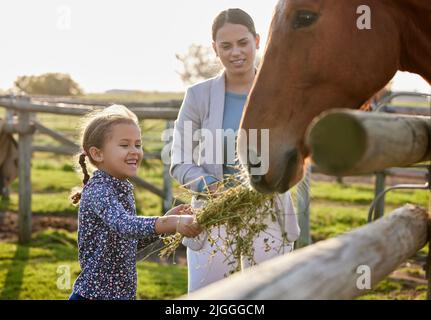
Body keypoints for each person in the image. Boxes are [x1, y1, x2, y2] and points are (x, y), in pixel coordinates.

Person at [170, 8, 300, 292]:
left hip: (269, 213)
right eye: (226, 46)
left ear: (257, 40)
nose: (236, 52)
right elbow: (179, 160)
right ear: (215, 49)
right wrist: (212, 186)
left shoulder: (283, 93)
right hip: (213, 216)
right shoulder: (198, 96)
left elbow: (297, 152)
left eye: (243, 42)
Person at [69, 104, 202, 300]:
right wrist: (170, 223)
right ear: (97, 154)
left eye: (137, 145)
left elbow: (128, 242)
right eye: (124, 145)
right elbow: (125, 225)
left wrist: (166, 221)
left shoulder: (121, 187)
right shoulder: (99, 190)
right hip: (94, 296)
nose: (134, 151)